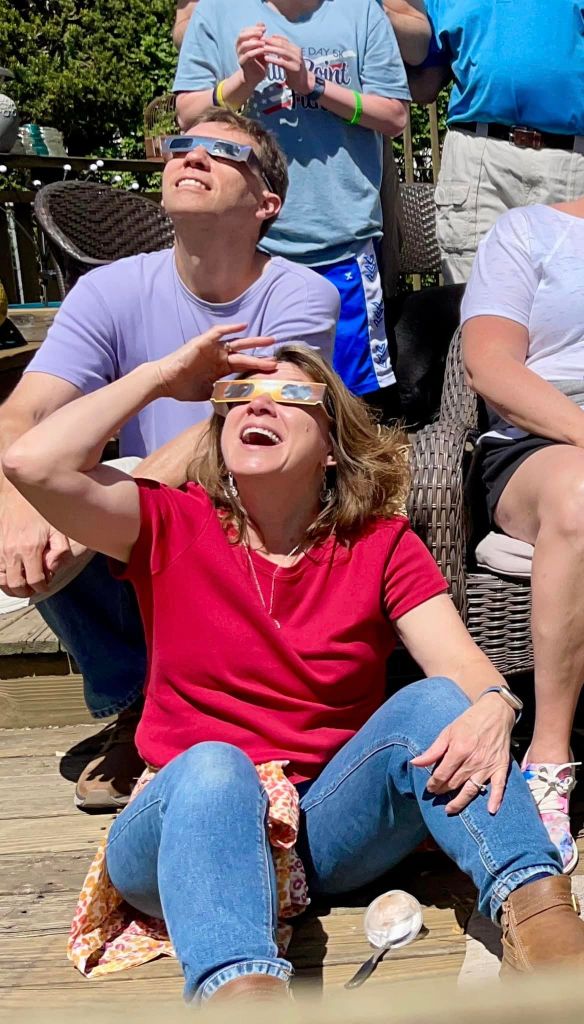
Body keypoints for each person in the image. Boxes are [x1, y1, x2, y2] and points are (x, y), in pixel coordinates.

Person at [4, 331, 584, 1001]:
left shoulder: (379, 545)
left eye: (289, 395)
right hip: (181, 834)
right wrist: (162, 377)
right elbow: (31, 463)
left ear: (332, 446)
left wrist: (495, 705)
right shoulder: (167, 522)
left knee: (439, 704)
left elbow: (460, 665)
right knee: (217, 767)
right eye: (239, 396)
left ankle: (544, 925)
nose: (258, 405)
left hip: (319, 832)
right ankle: (243, 994)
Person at [0, 108, 339, 809]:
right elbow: (21, 415)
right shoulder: (109, 289)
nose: (192, 156)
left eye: (223, 152)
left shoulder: (299, 295)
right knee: (32, 501)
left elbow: (228, 427)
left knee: (82, 498)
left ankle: (180, 707)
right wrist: (17, 504)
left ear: (266, 203)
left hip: (249, 517)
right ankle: (138, 700)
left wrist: (76, 516)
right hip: (144, 521)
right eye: (182, 145)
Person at [173, 0, 411, 421]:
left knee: (351, 409)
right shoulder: (216, 11)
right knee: (250, 400)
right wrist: (242, 82)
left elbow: (394, 116)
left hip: (343, 247)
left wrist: (312, 85)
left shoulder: (361, 11)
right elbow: (188, 116)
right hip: (246, 254)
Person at [462, 196, 584, 873]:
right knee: (582, 495)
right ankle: (549, 751)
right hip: (545, 441)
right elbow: (490, 365)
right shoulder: (531, 232)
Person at [399, 1, 584, 284]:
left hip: (569, 163)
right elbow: (425, 82)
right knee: (475, 299)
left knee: (564, 307)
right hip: (479, 161)